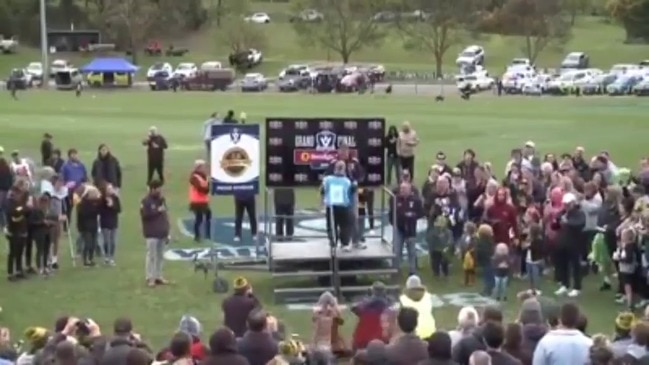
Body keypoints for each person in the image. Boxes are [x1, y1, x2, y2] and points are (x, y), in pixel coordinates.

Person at [554, 192, 586, 298]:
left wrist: (567, 222)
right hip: (563, 243)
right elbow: (556, 225)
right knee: (563, 265)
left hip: (575, 243)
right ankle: (565, 284)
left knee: (575, 266)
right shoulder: (564, 213)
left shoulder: (579, 213)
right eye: (565, 204)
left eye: (568, 204)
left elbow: (579, 224)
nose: (566, 206)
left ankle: (577, 287)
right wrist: (558, 220)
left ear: (573, 203)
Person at [140, 180, 170, 287]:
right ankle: (150, 277)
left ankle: (158, 276)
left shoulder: (162, 200)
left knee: (160, 256)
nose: (160, 191)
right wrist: (157, 211)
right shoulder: (146, 201)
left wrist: (167, 231)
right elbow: (145, 215)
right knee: (151, 256)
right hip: (151, 233)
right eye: (158, 188)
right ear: (153, 189)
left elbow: (165, 216)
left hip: (162, 232)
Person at [390, 182, 422, 275]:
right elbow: (391, 212)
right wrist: (394, 222)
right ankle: (396, 270)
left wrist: (412, 216)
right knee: (396, 249)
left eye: (405, 189)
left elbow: (421, 212)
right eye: (401, 189)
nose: (402, 191)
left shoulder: (415, 200)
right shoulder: (395, 199)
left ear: (410, 190)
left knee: (411, 250)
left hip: (411, 228)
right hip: (399, 228)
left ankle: (412, 270)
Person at [322, 161, 355, 251]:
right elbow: (351, 192)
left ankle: (337, 243)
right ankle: (338, 243)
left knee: (337, 225)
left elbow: (323, 190)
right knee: (339, 225)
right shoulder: (346, 181)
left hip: (335, 206)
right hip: (338, 206)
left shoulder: (328, 179)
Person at [351, 281, 392, 351]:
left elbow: (353, 308)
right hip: (380, 342)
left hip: (362, 343)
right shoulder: (388, 307)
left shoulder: (363, 306)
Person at [5, 185, 29, 281]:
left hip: (21, 229)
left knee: (20, 251)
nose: (18, 195)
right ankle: (10, 273)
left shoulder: (20, 203)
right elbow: (14, 212)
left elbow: (26, 210)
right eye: (17, 193)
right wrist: (21, 209)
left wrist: (21, 209)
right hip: (13, 230)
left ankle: (19, 270)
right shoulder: (10, 203)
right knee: (12, 253)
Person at [61, 149, 88, 223]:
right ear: (69, 156)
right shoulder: (65, 166)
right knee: (68, 209)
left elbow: (85, 177)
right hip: (69, 191)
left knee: (81, 209)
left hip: (79, 190)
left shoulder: (81, 165)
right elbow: (62, 177)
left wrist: (85, 183)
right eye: (72, 154)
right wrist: (65, 186)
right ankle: (66, 228)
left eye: (75, 154)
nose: (74, 156)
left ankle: (81, 227)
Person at [77, 185, 101, 267]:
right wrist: (80, 228)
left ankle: (91, 259)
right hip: (86, 227)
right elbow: (83, 215)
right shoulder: (83, 204)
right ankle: (85, 260)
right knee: (88, 244)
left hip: (94, 226)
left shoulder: (96, 203)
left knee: (93, 244)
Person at [99, 183, 121, 266]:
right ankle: (106, 257)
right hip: (105, 222)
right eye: (108, 189)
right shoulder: (102, 199)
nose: (110, 190)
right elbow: (100, 211)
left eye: (111, 188)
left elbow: (119, 209)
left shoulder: (115, 198)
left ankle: (111, 257)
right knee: (106, 240)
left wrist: (112, 205)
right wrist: (106, 205)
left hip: (113, 222)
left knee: (113, 241)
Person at [189, 160, 211, 242]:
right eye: (202, 166)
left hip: (203, 201)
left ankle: (207, 234)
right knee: (199, 218)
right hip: (197, 201)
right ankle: (198, 236)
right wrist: (207, 189)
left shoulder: (203, 176)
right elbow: (200, 188)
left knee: (206, 216)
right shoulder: (194, 177)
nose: (204, 168)